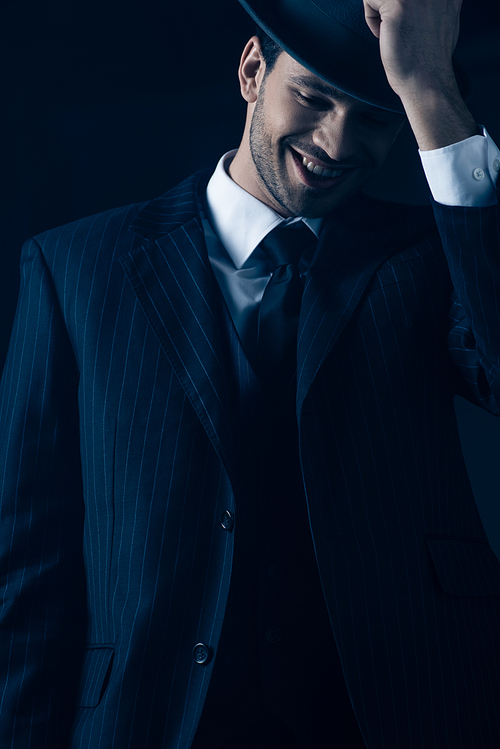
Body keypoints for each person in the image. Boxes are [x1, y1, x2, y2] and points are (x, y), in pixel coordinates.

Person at [0, 0, 499, 746]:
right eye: (313, 96)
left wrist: (429, 89)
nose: (336, 141)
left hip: (398, 708)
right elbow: (28, 563)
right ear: (252, 71)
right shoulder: (74, 268)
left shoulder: (433, 255)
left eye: (374, 117)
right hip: (152, 716)